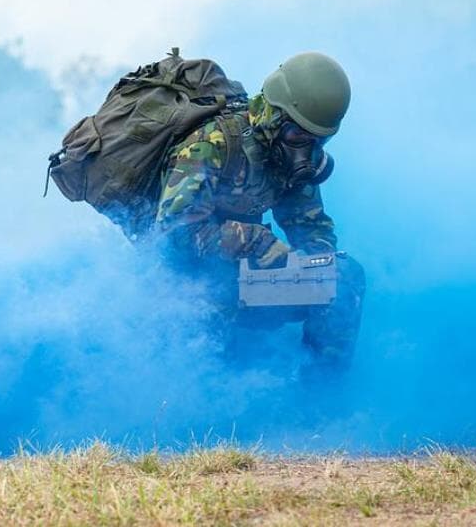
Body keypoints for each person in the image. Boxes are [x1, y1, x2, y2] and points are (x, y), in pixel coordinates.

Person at [154, 52, 365, 367]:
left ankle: (321, 387)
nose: (304, 151)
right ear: (274, 115)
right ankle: (212, 384)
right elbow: (172, 237)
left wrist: (315, 266)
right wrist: (254, 241)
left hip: (241, 279)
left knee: (344, 280)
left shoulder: (289, 154)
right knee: (220, 349)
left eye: (317, 141)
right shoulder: (211, 145)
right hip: (184, 285)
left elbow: (310, 226)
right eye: (297, 135)